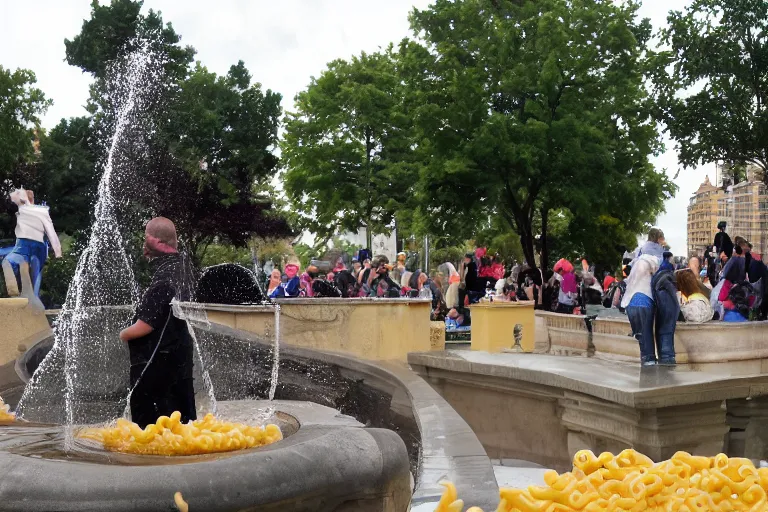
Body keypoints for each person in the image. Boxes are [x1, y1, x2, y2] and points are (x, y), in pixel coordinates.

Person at [119, 217, 196, 428]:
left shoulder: (164, 275)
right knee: (182, 425)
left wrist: (123, 334)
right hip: (180, 360)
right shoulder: (185, 269)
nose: (143, 245)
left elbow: (146, 326)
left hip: (156, 366)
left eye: (146, 238)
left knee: (151, 431)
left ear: (158, 242)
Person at [3, 188, 62, 298]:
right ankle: (29, 294)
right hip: (32, 247)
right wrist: (58, 252)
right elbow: (51, 232)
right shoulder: (35, 211)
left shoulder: (37, 211)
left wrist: (58, 251)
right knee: (33, 271)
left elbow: (50, 232)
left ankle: (26, 293)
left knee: (11, 261)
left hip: (28, 246)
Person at [622, 255, 660, 366]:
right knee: (647, 332)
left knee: (640, 335)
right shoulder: (650, 275)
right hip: (645, 304)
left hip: (630, 304)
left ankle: (644, 357)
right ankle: (649, 360)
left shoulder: (635, 274)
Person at [652, 252, 679, 365]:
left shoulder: (657, 276)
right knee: (666, 332)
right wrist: (679, 312)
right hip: (667, 310)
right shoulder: (667, 276)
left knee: (661, 331)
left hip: (660, 310)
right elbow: (674, 299)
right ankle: (668, 360)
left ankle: (664, 359)